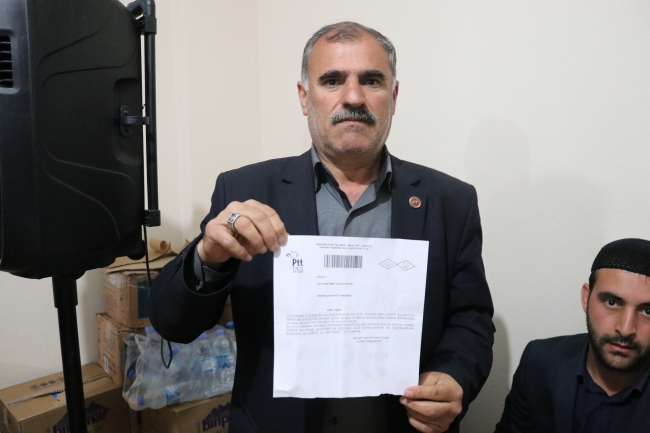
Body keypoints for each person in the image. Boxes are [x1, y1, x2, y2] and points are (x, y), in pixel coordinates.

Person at [150, 21, 494, 433]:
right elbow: (172, 324)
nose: (353, 97)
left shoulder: (450, 201)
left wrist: (455, 375)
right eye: (332, 80)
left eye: (371, 80)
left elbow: (471, 318)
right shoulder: (244, 191)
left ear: (394, 96)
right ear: (304, 96)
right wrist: (209, 256)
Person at [495, 238, 650, 433]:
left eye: (648, 311)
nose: (626, 329)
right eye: (611, 302)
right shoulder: (539, 363)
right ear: (586, 298)